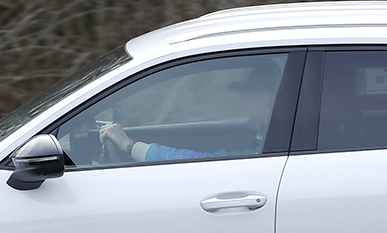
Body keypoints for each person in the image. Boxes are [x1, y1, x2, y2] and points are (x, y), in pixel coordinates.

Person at [98, 61, 279, 162]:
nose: (243, 103)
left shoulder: (274, 147)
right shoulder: (269, 140)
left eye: (247, 95)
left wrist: (129, 146)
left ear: (263, 99)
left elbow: (207, 163)